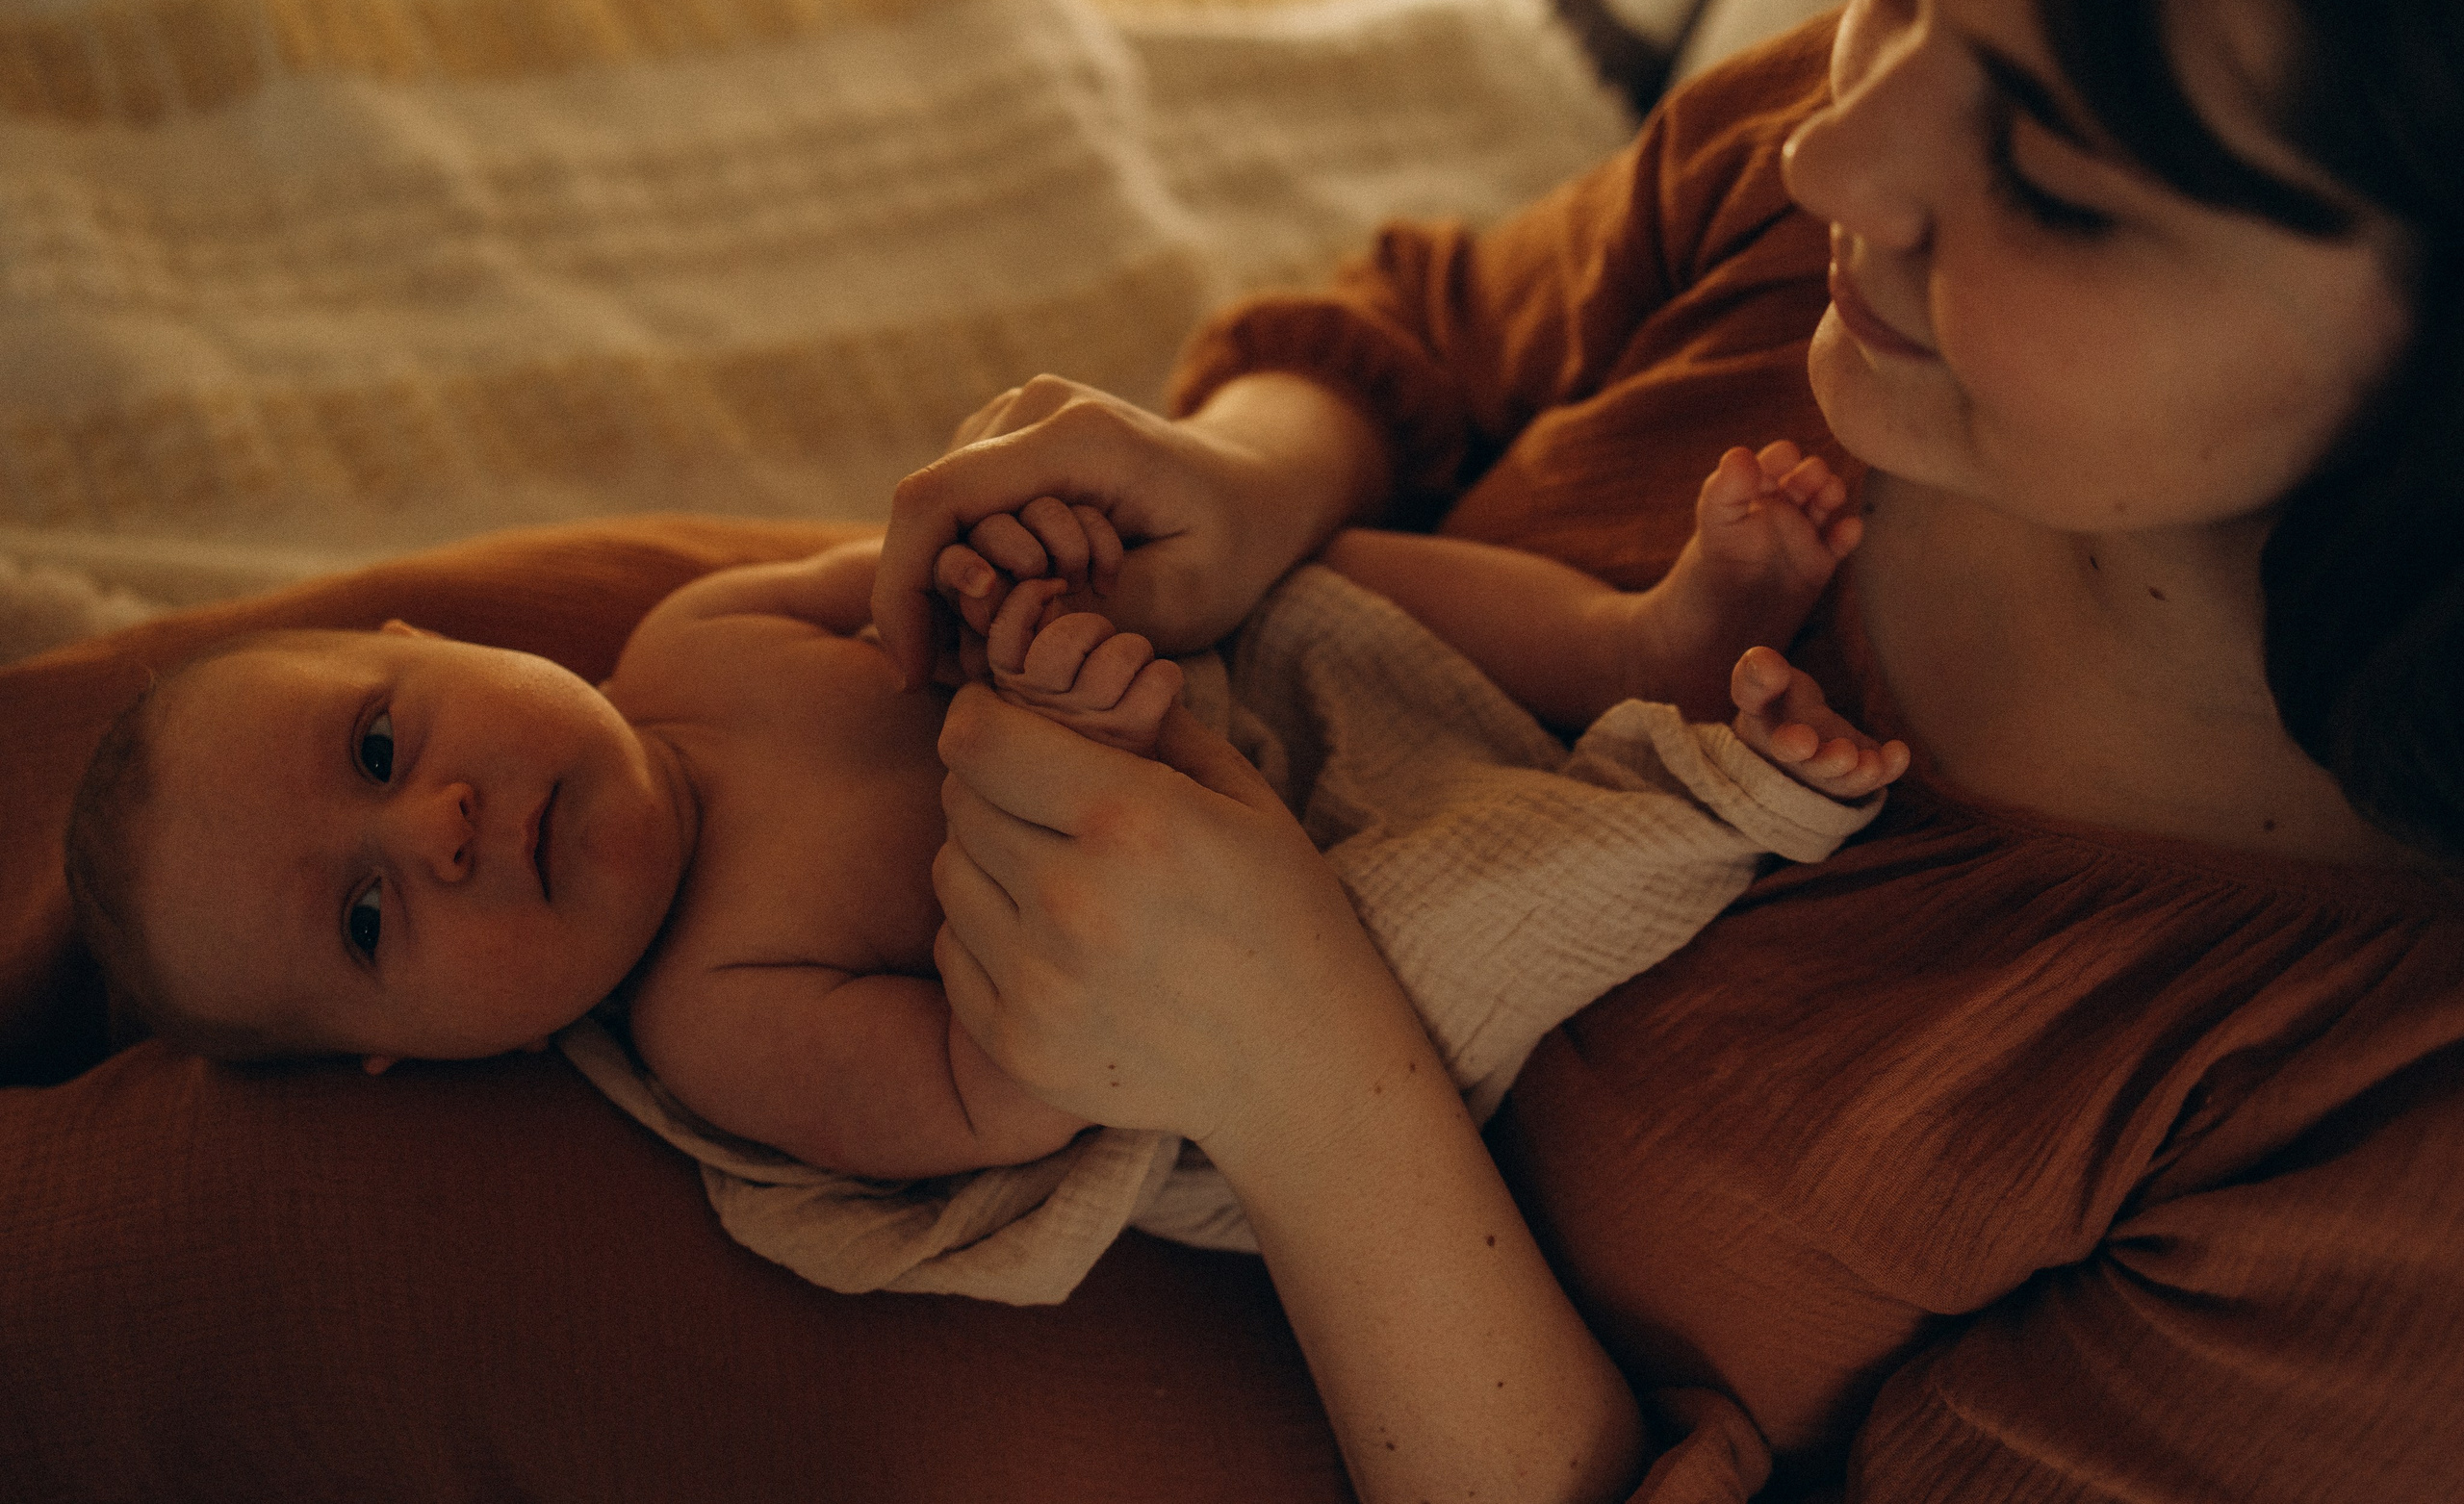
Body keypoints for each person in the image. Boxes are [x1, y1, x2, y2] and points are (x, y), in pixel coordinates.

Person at [869, 0, 2464, 1499]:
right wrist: (1250, 482)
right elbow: (1438, 335)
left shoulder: (2375, 1134)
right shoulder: (1848, 222)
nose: (1828, 150)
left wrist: (1303, 1075)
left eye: (2055, 179)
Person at [64, 439, 1896, 1191]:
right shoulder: (722, 1015)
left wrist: (1029, 570)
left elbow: (912, 592)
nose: (443, 831)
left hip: (1250, 704)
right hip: (1259, 933)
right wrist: (1066, 755)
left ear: (427, 640)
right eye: (369, 923)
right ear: (406, 1059)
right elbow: (1003, 1090)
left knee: (1306, 584)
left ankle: (1646, 639)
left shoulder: (692, 634)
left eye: (380, 751)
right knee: (1433, 944)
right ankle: (1688, 798)